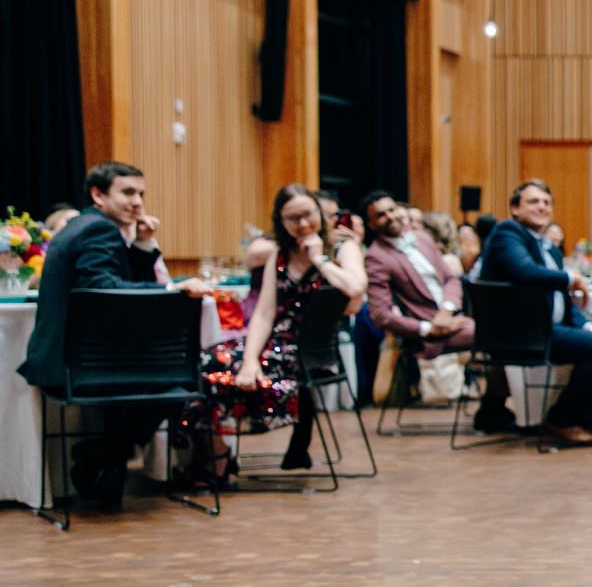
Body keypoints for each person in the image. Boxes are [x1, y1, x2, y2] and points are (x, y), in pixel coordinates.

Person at [18, 162, 214, 510]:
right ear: (97, 194)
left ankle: (105, 463)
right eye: (127, 192)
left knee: (166, 379)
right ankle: (98, 456)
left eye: (141, 193)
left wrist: (143, 244)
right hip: (77, 365)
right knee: (180, 381)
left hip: (84, 359)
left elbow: (114, 282)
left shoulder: (90, 226)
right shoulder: (98, 230)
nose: (138, 202)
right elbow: (103, 288)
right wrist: (172, 288)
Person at [184, 184, 367, 472]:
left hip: (311, 349)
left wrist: (319, 259)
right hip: (275, 340)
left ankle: (213, 464)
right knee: (206, 361)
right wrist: (249, 361)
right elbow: (264, 314)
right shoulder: (280, 254)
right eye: (293, 218)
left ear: (319, 212)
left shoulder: (343, 248)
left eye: (308, 214)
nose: (303, 224)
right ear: (281, 223)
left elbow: (356, 286)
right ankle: (216, 454)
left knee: (220, 367)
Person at [479, 180, 592, 447]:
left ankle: (586, 421)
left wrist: (585, 324)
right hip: (519, 332)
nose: (541, 207)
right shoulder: (507, 233)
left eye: (546, 202)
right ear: (515, 209)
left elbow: (563, 300)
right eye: (533, 201)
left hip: (546, 329)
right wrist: (570, 277)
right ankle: (562, 419)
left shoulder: (549, 247)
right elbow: (524, 272)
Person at [362, 191, 514, 433]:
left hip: (451, 319)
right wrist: (430, 328)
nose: (389, 217)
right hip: (423, 335)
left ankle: (493, 408)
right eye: (380, 215)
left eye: (391, 209)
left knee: (507, 330)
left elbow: (450, 279)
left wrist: (447, 311)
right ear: (371, 224)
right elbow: (380, 315)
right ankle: (493, 410)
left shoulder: (421, 239)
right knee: (500, 334)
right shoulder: (376, 257)